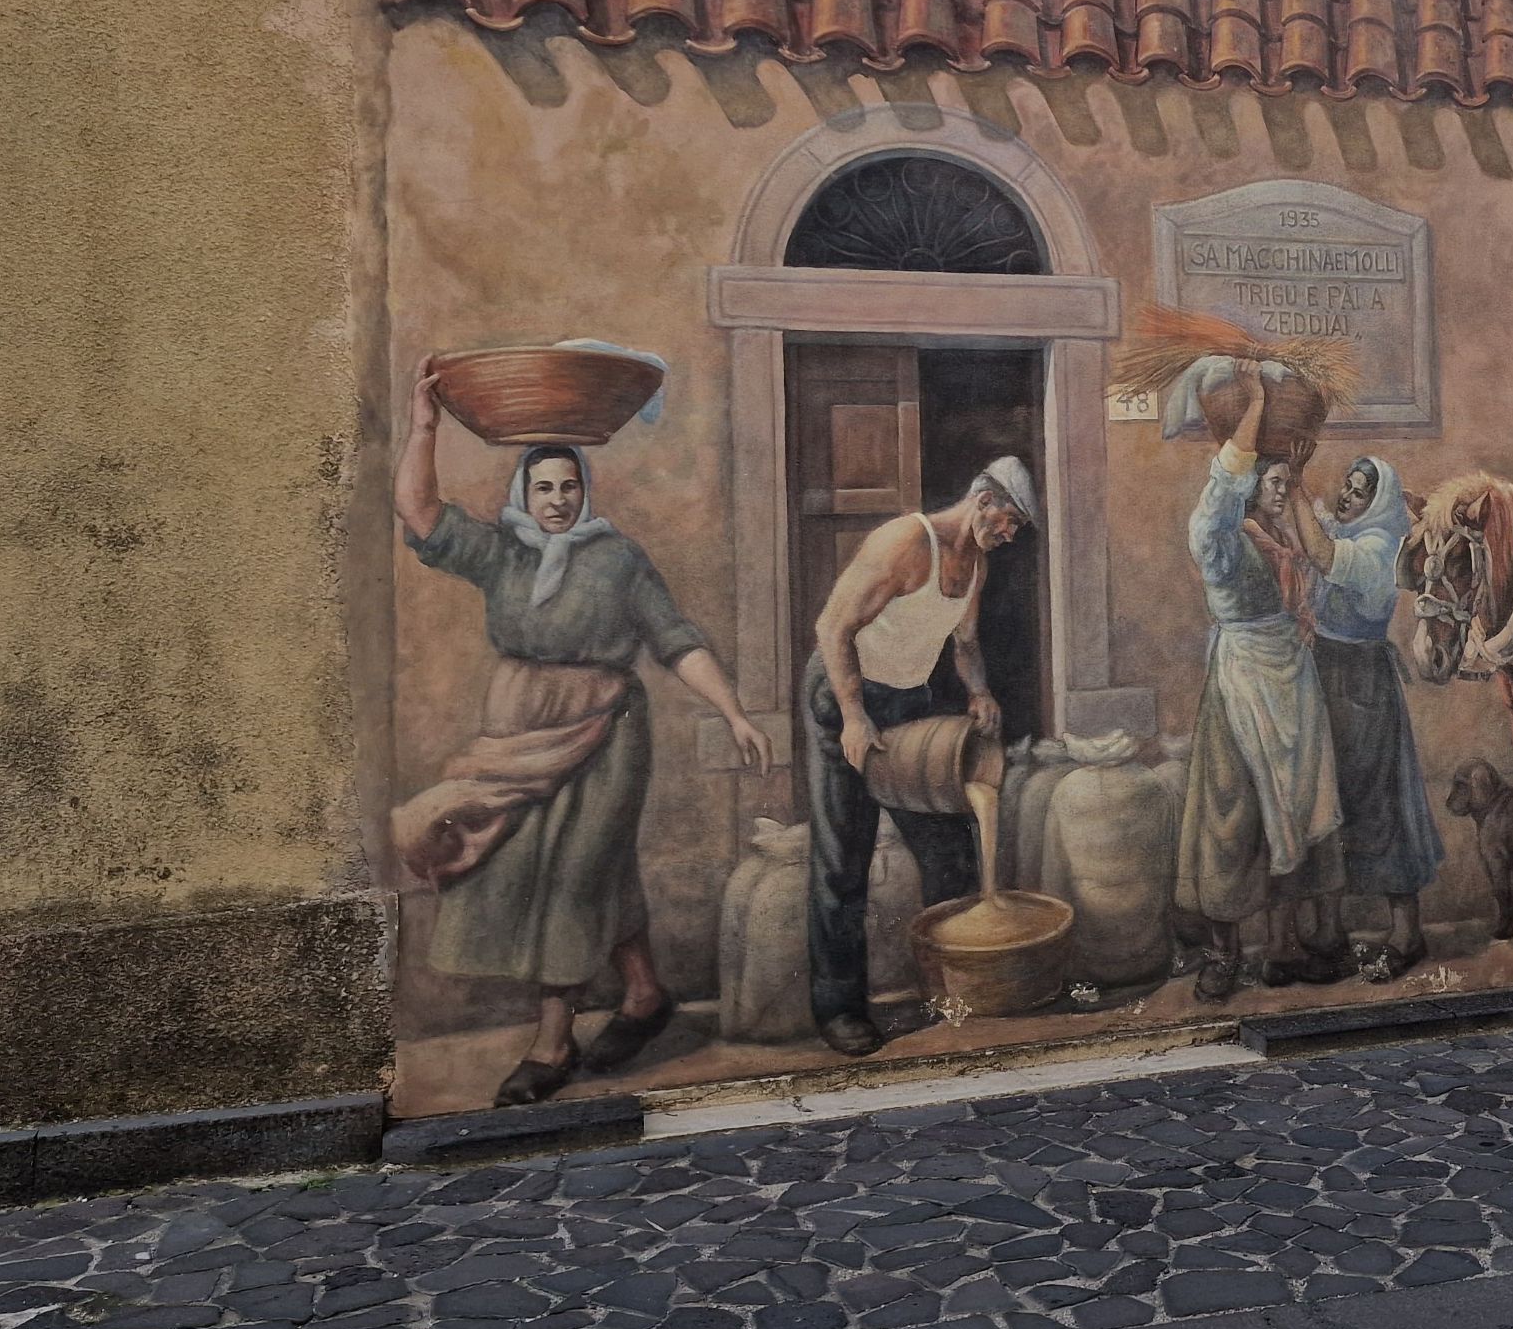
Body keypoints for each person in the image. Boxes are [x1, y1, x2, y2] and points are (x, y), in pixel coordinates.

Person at [392, 359, 772, 1108]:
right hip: (519, 731)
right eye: (544, 488)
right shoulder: (499, 550)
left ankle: (552, 1041)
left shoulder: (617, 558)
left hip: (607, 730)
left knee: (569, 878)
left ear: (584, 491)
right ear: (524, 495)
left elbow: (677, 640)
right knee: (580, 872)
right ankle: (644, 994)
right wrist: (425, 426)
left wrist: (732, 710)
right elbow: (416, 508)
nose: (558, 501)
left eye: (569, 487)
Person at [804, 459, 1035, 1056]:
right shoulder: (907, 541)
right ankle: (839, 1009)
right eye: (1009, 523)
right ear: (984, 500)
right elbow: (832, 628)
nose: (1009, 536)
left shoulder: (977, 565)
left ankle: (949, 987)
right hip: (846, 697)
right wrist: (854, 717)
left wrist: (979, 690)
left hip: (907, 704)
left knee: (945, 847)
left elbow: (964, 645)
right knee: (842, 860)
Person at [1174, 372, 1344, 1003]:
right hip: (1241, 683)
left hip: (1293, 681)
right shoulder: (1220, 541)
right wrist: (1258, 409)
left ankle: (1286, 945)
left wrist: (1296, 487)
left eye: (1278, 482)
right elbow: (1223, 487)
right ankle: (1224, 953)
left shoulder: (1286, 547)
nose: (1276, 492)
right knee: (1232, 814)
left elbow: (1323, 584)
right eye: (1267, 483)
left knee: (1302, 804)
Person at [1285, 455, 1445, 982]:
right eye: (1347, 488)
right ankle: (1329, 933)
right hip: (1325, 671)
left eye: (1359, 492)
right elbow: (1311, 532)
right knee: (1327, 800)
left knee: (1379, 802)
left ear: (1377, 502)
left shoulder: (1379, 548)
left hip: (1361, 681)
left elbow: (1321, 553)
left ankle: (1406, 933)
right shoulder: (1347, 530)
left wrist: (1296, 477)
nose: (1347, 497)